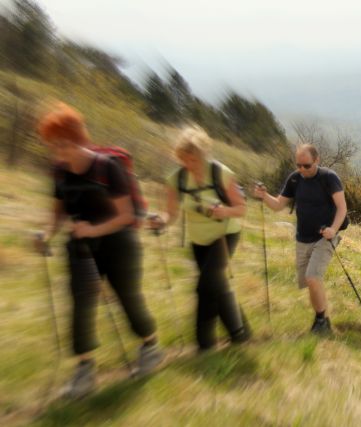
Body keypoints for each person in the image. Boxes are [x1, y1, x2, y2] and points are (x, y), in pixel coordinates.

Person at [35, 103, 161, 399]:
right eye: (54, 146)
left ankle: (151, 346)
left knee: (128, 298)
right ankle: (84, 370)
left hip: (119, 244)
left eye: (64, 145)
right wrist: (47, 233)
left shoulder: (107, 168)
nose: (59, 152)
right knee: (81, 304)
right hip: (80, 246)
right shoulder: (59, 172)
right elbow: (58, 213)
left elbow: (125, 215)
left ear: (78, 138)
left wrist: (92, 229)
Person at [149, 127, 250, 352]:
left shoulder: (221, 173)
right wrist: (161, 222)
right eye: (184, 159)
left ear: (204, 154)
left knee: (205, 286)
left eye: (193, 159)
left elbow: (241, 208)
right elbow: (171, 213)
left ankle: (204, 344)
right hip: (199, 241)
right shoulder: (176, 179)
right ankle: (240, 334)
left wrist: (222, 211)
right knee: (217, 285)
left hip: (225, 235)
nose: (189, 164)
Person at [253, 144, 347, 334]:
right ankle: (321, 319)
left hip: (325, 237)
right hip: (302, 238)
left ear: (317, 160)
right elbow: (278, 205)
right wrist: (263, 196)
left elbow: (342, 208)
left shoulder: (329, 178)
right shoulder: (295, 179)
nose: (302, 170)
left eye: (307, 165)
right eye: (299, 165)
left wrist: (333, 229)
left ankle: (322, 322)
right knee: (308, 281)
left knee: (313, 277)